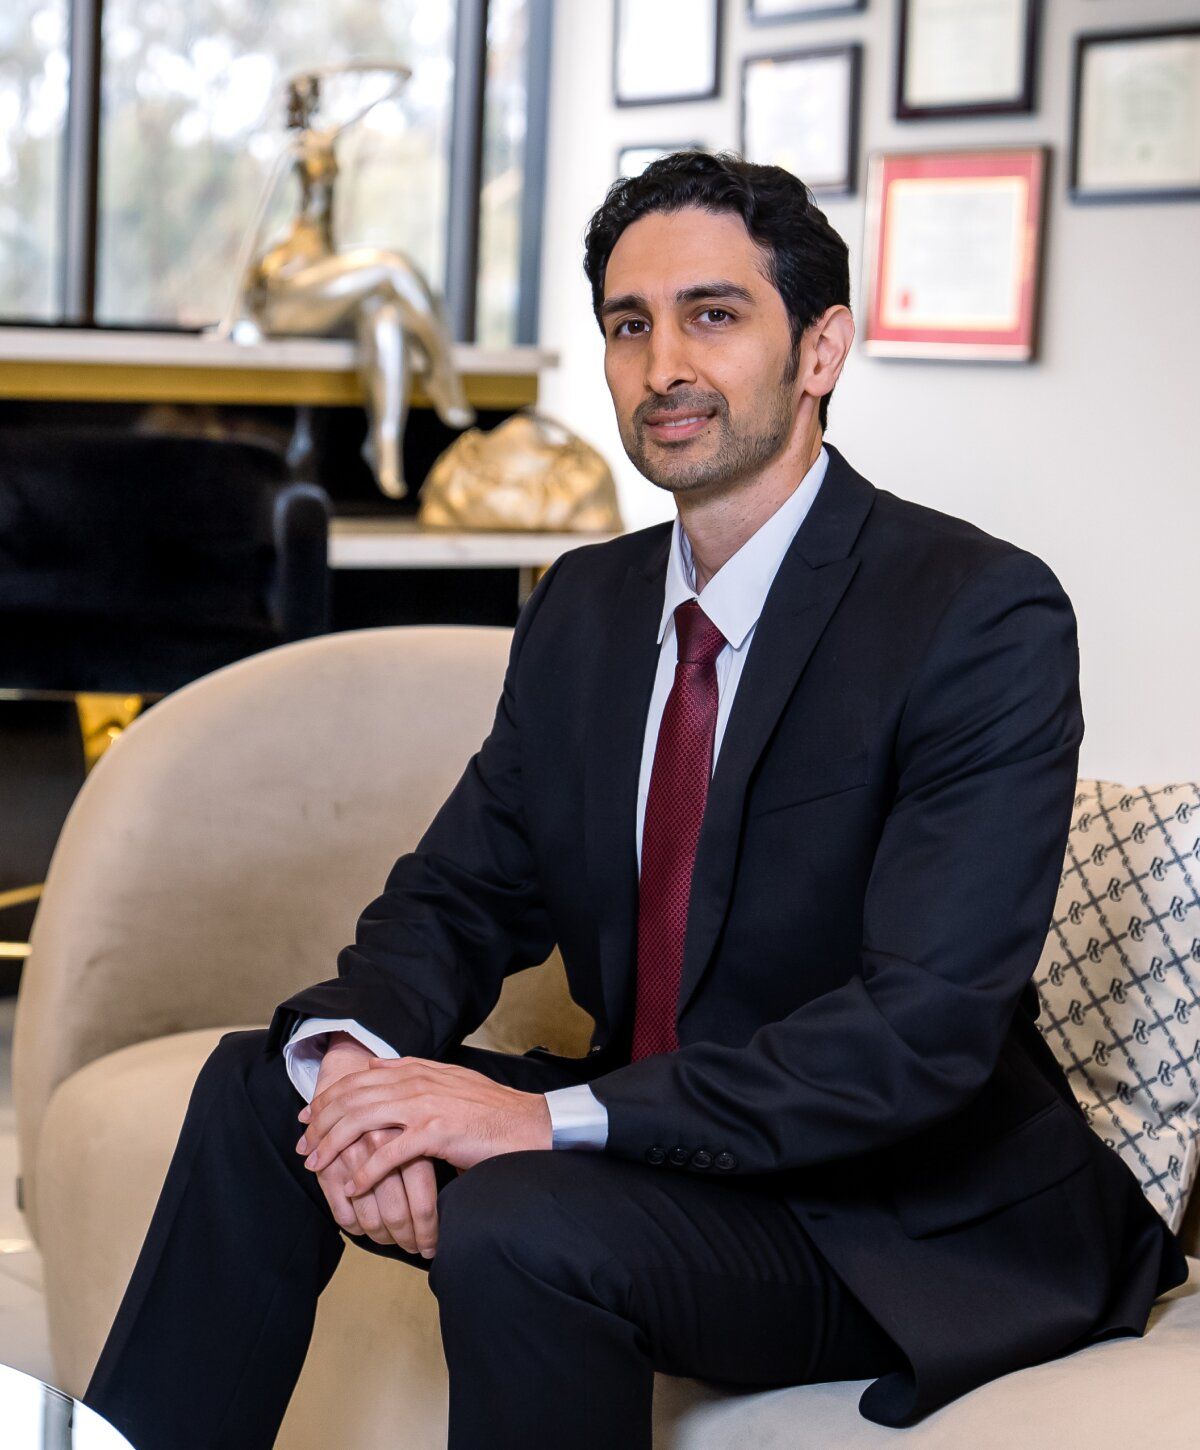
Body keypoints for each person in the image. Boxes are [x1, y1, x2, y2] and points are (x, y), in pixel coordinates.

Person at [83, 150, 1188, 1450]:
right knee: (262, 1082)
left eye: (713, 315)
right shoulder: (588, 607)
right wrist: (357, 1079)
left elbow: (921, 1035)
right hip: (672, 1138)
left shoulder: (973, 614)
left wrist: (535, 1118)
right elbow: (459, 891)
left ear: (820, 349)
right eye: (629, 323)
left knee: (520, 1213)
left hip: (893, 1206)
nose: (665, 361)